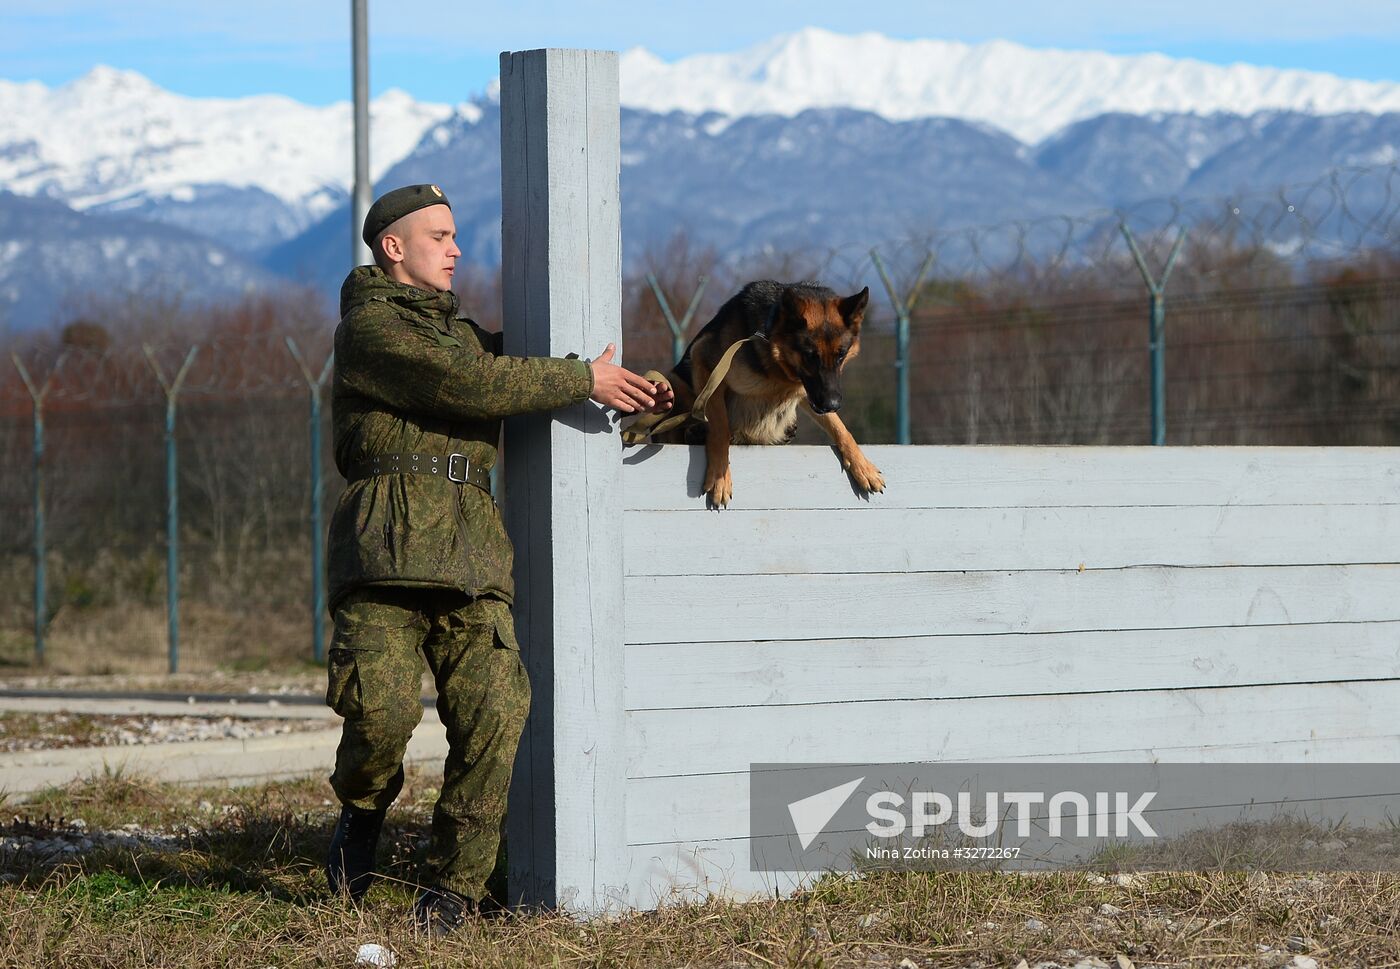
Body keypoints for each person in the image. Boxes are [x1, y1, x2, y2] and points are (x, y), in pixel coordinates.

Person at [323, 184, 670, 936]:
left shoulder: (469, 335)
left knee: (495, 716)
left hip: (472, 559)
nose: (456, 250)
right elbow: (472, 385)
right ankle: (359, 814)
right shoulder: (371, 331)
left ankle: (453, 887)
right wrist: (582, 378)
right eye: (440, 236)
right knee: (379, 719)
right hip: (384, 555)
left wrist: (632, 385)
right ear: (394, 247)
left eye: (454, 237)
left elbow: (508, 367)